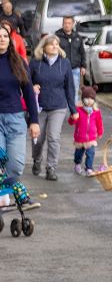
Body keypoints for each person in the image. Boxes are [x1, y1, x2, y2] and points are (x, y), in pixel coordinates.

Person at [29, 33, 78, 181]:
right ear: (43, 47)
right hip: (39, 107)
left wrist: (73, 109)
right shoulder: (35, 62)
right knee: (38, 139)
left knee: (54, 137)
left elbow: (70, 87)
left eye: (57, 44)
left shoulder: (65, 63)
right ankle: (37, 159)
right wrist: (32, 87)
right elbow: (26, 81)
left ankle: (51, 168)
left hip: (58, 106)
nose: (55, 46)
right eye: (51, 44)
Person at [0, 27, 39, 188]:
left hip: (16, 118)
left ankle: (5, 193)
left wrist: (34, 121)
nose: (2, 38)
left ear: (10, 40)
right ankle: (3, 198)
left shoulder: (19, 62)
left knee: (16, 166)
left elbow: (29, 92)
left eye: (5, 36)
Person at [73, 85, 105, 174]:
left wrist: (100, 132)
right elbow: (72, 122)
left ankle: (89, 168)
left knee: (90, 154)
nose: (89, 100)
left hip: (91, 138)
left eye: (91, 98)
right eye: (86, 98)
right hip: (80, 137)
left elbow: (99, 122)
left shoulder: (96, 111)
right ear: (83, 99)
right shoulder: (78, 110)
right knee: (78, 154)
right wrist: (73, 117)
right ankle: (77, 163)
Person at [55, 16, 88, 85]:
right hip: (61, 69)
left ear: (73, 24)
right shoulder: (57, 37)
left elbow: (82, 52)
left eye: (69, 23)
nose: (67, 25)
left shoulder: (78, 37)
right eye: (65, 23)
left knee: (75, 90)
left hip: (75, 69)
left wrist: (83, 66)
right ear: (62, 24)